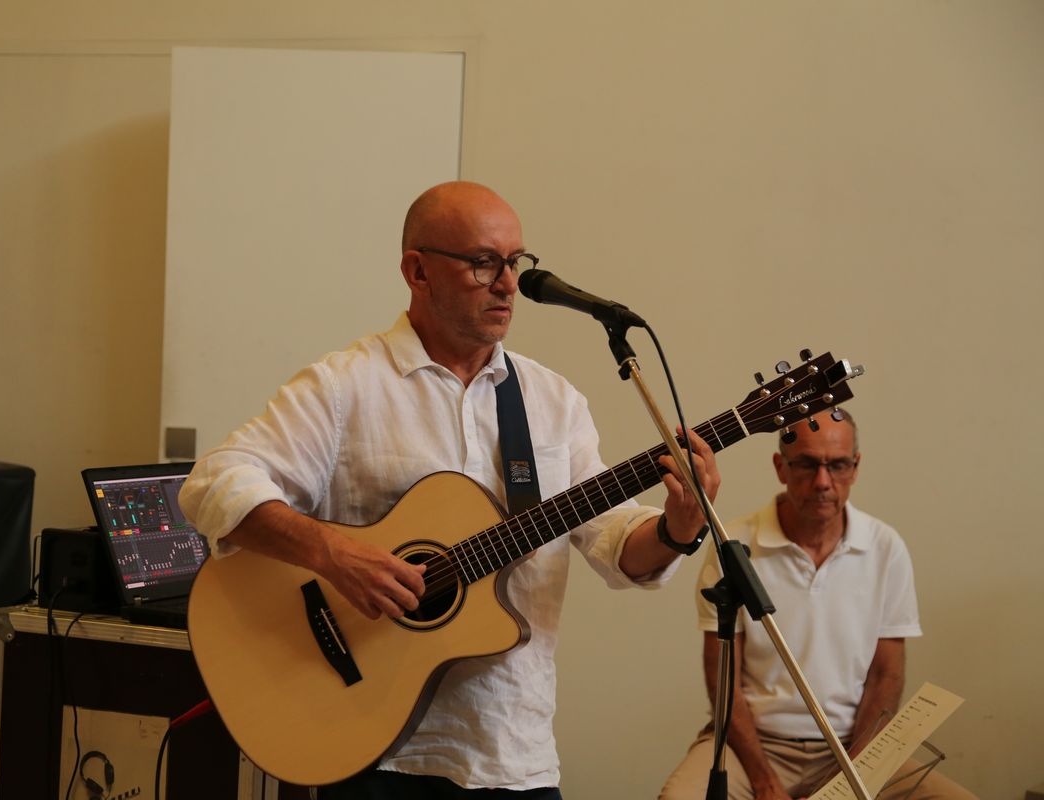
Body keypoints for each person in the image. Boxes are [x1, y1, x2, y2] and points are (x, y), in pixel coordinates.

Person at [178, 180, 720, 799]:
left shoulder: (552, 402)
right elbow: (213, 484)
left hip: (512, 750)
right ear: (417, 270)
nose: (509, 283)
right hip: (371, 751)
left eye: (516, 262)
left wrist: (679, 526)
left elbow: (615, 545)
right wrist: (333, 552)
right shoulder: (345, 386)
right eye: (483, 262)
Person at [659, 411, 975, 800]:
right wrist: (765, 782)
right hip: (754, 747)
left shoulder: (885, 547)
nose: (823, 482)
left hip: (854, 745)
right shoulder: (735, 544)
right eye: (807, 464)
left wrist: (853, 778)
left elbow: (886, 678)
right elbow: (723, 683)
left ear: (855, 467)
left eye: (838, 465)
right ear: (781, 467)